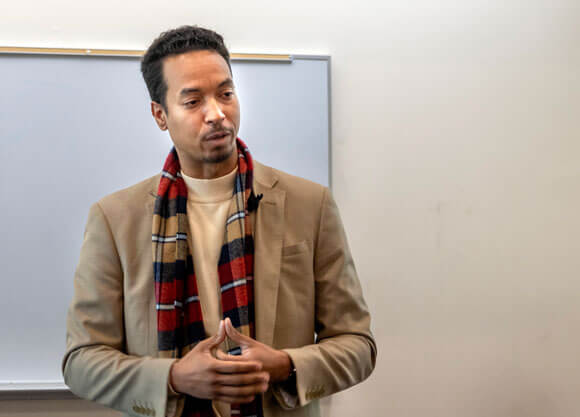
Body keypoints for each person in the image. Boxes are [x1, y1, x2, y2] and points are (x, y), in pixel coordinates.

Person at [63, 25, 376, 417]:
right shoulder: (115, 219)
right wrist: (174, 378)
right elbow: (81, 359)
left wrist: (284, 365)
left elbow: (358, 344)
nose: (216, 114)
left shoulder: (308, 204)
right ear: (160, 115)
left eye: (225, 94)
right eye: (193, 102)